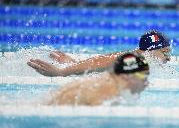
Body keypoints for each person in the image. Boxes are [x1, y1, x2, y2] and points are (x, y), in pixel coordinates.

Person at [28, 30, 171, 77]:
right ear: (152, 50)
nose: (168, 58)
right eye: (164, 52)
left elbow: (103, 64)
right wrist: (61, 72)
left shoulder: (134, 55)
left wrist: (72, 63)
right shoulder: (133, 58)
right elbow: (95, 63)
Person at [48, 52, 149, 106]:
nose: (146, 82)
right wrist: (63, 72)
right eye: (143, 76)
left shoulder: (108, 82)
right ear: (126, 75)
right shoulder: (107, 91)